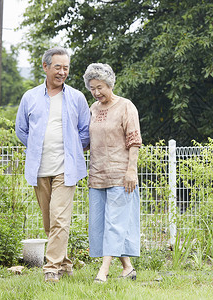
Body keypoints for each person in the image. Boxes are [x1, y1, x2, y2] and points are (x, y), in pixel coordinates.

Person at [15, 47, 90, 283]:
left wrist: (73, 150)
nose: (62, 72)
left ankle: (51, 267)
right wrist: (37, 146)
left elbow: (85, 132)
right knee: (50, 221)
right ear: (45, 67)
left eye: (66, 67)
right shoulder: (30, 97)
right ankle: (65, 262)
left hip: (66, 168)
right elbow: (21, 129)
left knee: (59, 218)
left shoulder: (77, 97)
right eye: (58, 67)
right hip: (39, 168)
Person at [83, 63, 142, 283]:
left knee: (115, 223)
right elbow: (86, 141)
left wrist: (131, 171)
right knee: (101, 222)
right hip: (97, 174)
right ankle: (127, 268)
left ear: (110, 84)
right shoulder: (92, 109)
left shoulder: (126, 106)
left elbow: (134, 141)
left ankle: (103, 271)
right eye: (92, 88)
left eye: (100, 87)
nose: (97, 93)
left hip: (120, 175)